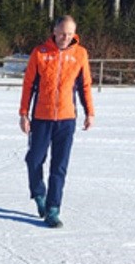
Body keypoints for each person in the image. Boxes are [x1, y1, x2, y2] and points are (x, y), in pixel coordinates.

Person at [18, 14, 95, 228]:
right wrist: (23, 113)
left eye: (70, 34)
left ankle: (53, 209)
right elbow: (28, 85)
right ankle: (39, 194)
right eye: (62, 33)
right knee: (33, 159)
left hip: (66, 118)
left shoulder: (80, 54)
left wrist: (90, 112)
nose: (65, 38)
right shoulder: (40, 53)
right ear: (54, 31)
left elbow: (85, 85)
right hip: (41, 118)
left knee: (59, 166)